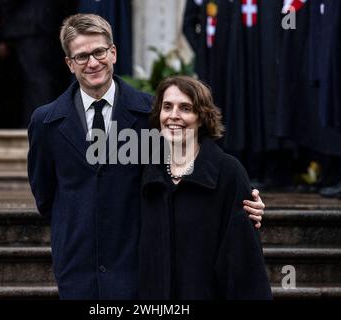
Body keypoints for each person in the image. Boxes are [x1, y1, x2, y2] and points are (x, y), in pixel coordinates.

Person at [28, 13, 265, 300]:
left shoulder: (151, 114)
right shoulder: (46, 122)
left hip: (139, 268)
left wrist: (240, 198)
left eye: (99, 52)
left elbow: (191, 163)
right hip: (77, 268)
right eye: (81, 56)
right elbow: (46, 196)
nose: (92, 63)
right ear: (69, 63)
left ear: (113, 52)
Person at [139, 75, 272, 299]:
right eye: (167, 107)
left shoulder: (228, 172)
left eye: (185, 108)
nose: (173, 116)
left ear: (201, 117)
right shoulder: (147, 171)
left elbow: (244, 262)